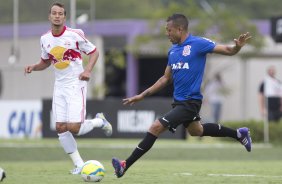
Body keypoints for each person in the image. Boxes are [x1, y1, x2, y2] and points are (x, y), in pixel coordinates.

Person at [112, 13, 252, 178]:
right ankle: (239, 134)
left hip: (190, 102)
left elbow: (228, 49)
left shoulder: (198, 43)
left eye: (169, 30)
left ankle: (124, 165)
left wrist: (237, 47)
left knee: (155, 127)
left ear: (180, 29)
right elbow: (165, 78)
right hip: (179, 102)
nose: (167, 33)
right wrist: (142, 95)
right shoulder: (173, 52)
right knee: (196, 131)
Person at [24, 2, 112, 174]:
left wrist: (87, 70)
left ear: (64, 17)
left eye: (60, 13)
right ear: (49, 16)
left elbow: (94, 52)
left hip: (75, 83)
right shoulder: (45, 39)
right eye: (54, 13)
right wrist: (34, 67)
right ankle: (79, 164)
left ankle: (99, 121)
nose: (57, 16)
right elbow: (46, 61)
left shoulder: (75, 35)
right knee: (60, 127)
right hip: (60, 86)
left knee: (74, 128)